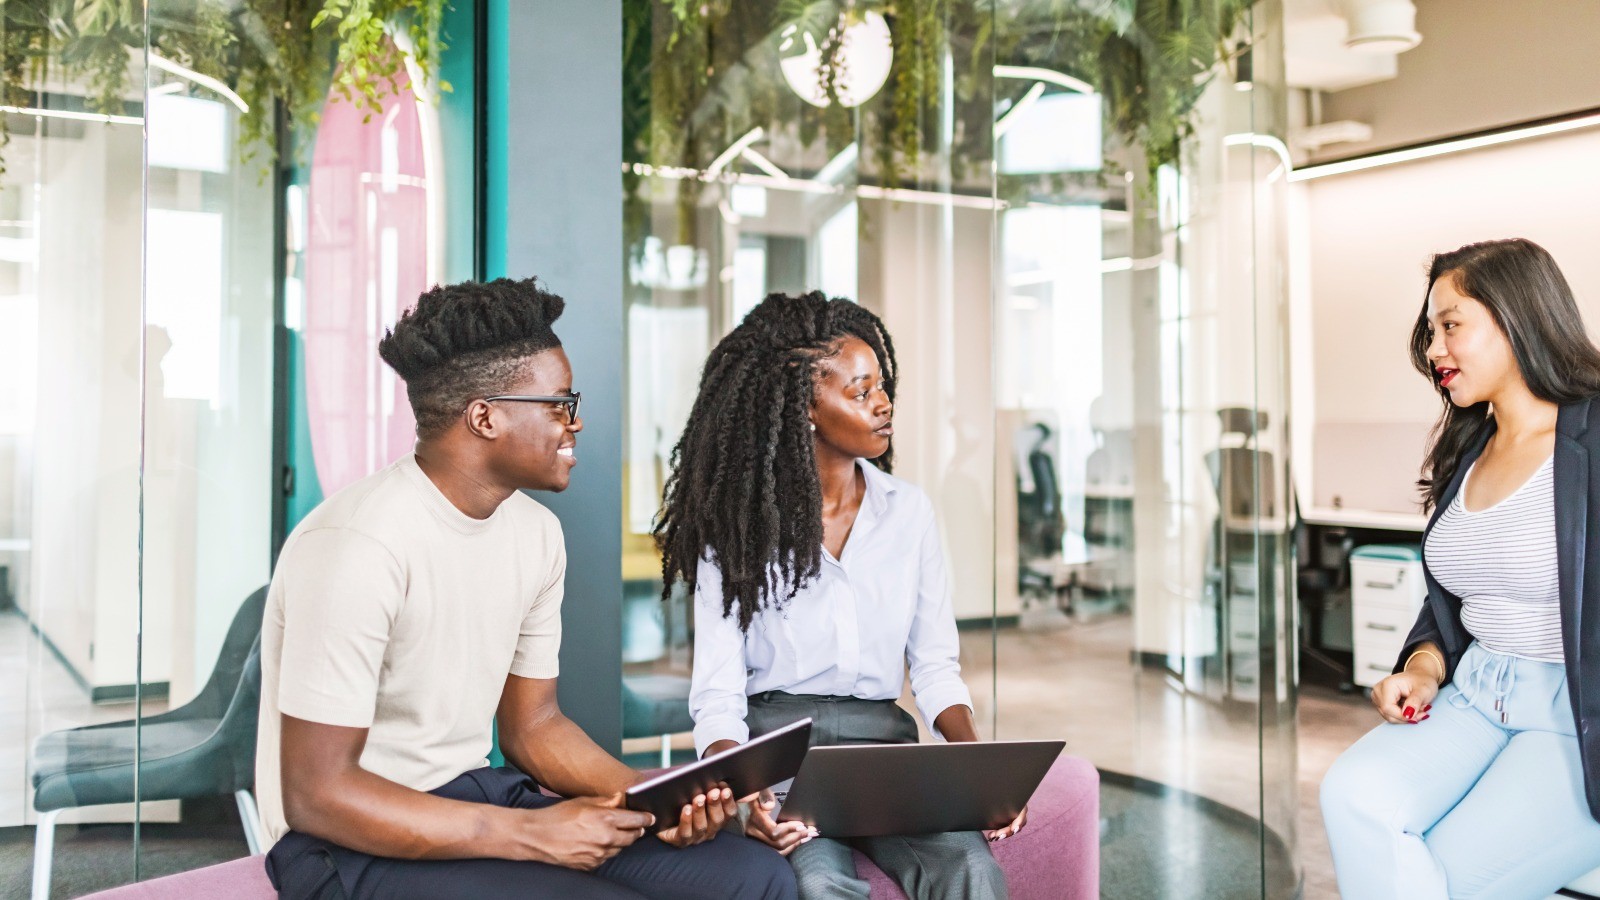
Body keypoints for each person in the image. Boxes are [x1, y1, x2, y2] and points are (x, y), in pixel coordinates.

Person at [257, 278, 796, 900]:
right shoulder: (358, 545)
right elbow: (318, 795)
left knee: (753, 877)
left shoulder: (536, 534)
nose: (577, 421)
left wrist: (662, 804)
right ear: (484, 416)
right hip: (342, 843)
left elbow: (533, 725)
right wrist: (532, 835)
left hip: (471, 791)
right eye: (559, 405)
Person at [655, 291, 1022, 900]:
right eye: (860, 392)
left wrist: (977, 776)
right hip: (781, 757)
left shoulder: (910, 513)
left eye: (882, 386)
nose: (883, 404)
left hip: (885, 752)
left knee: (973, 871)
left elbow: (934, 666)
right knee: (820, 884)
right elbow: (718, 694)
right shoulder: (740, 531)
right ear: (804, 409)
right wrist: (748, 794)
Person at [1320, 239, 1600, 898]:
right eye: (1429, 332)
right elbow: (1458, 598)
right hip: (1475, 693)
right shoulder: (1468, 445)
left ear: (1518, 317)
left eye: (1450, 326)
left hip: (1573, 712)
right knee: (1352, 798)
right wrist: (1422, 667)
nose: (1434, 350)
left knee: (1448, 877)